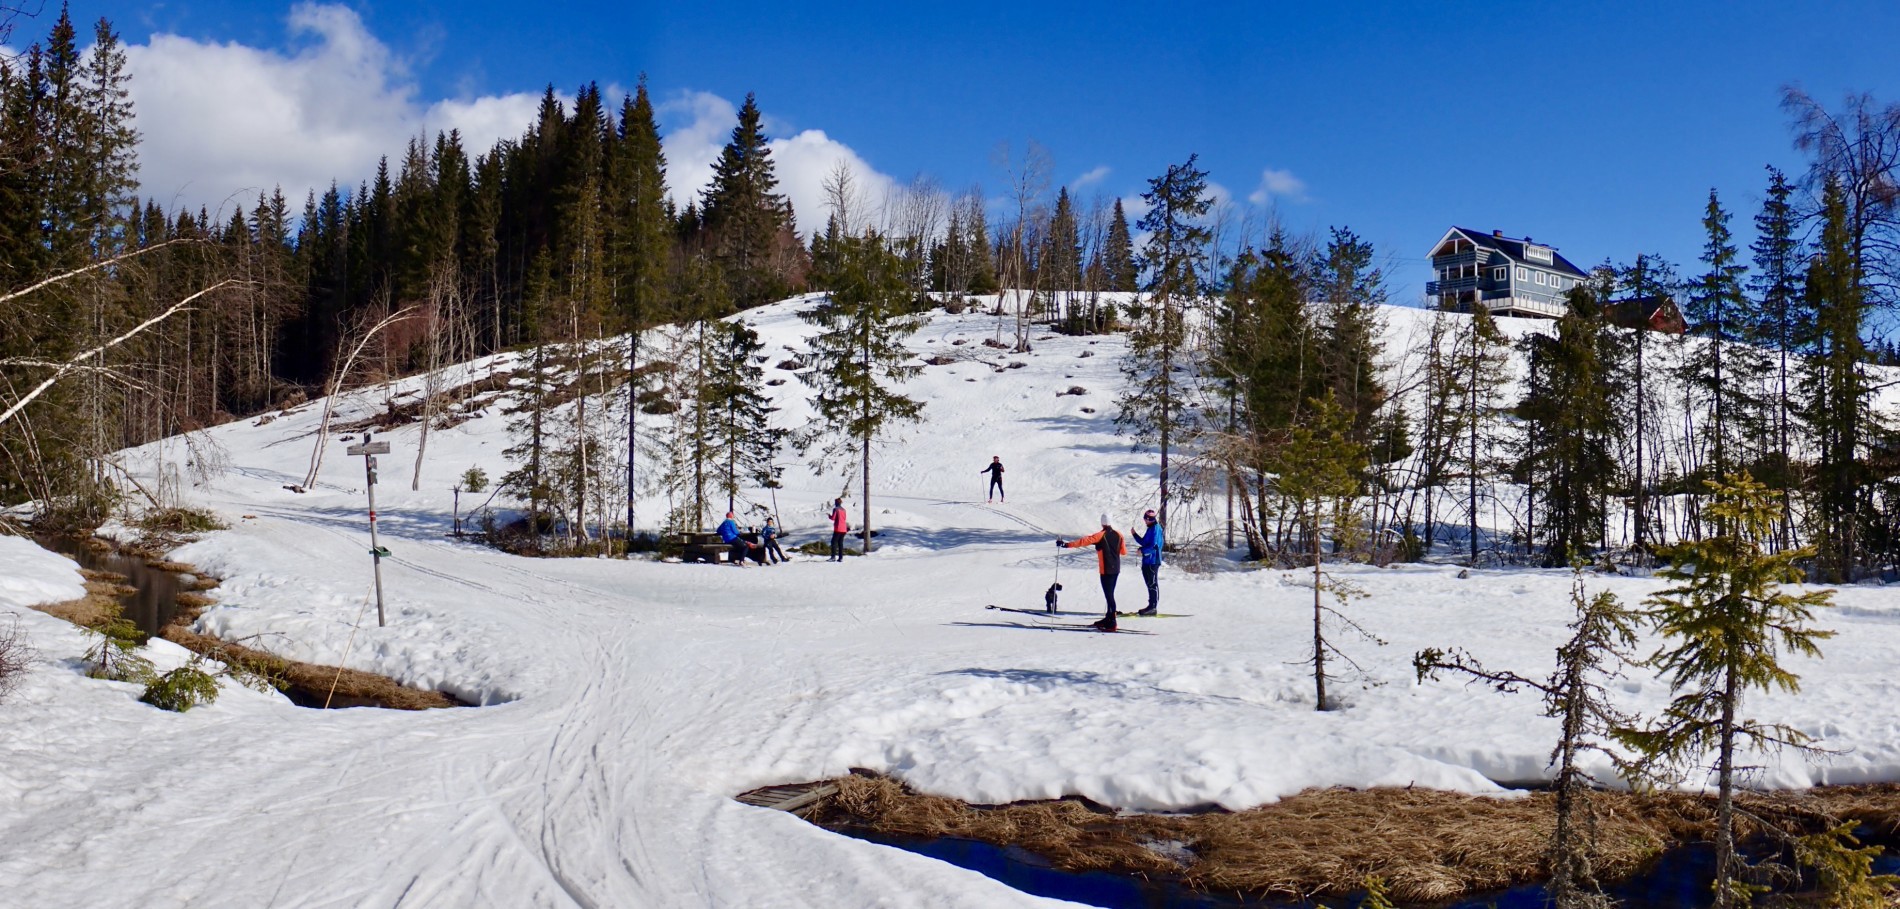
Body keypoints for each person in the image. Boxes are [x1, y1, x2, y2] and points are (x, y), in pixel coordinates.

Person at [1057, 513, 1125, 631]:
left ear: (1102, 523)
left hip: (1106, 570)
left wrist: (1066, 545)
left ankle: (1112, 622)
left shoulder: (1100, 535)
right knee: (1110, 594)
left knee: (1109, 596)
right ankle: (1108, 618)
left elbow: (1084, 541)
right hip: (1116, 569)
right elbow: (1123, 552)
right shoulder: (1119, 535)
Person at [1133, 509, 1163, 616]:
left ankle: (1153, 607)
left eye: (1146, 519)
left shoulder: (1156, 528)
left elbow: (1154, 546)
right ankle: (1150, 605)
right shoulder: (1150, 528)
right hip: (1147, 560)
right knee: (1149, 583)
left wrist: (1142, 550)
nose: (1145, 521)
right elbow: (1144, 542)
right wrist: (1134, 534)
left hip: (1153, 560)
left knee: (1152, 583)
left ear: (1150, 519)